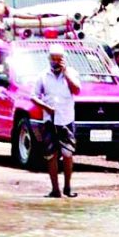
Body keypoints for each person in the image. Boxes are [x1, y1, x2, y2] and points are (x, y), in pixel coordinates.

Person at [32, 44, 81, 198]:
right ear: (49, 59)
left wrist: (66, 73)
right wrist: (46, 107)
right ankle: (55, 189)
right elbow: (33, 96)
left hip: (66, 118)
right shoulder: (42, 76)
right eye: (53, 59)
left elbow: (77, 90)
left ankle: (68, 187)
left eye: (59, 59)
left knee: (68, 154)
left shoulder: (71, 73)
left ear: (63, 59)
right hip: (49, 120)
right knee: (51, 155)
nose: (56, 62)